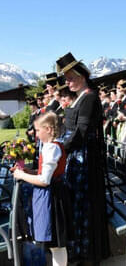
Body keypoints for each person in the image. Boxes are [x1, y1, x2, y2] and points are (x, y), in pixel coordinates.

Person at [57, 52, 110, 264]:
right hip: (76, 154)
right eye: (66, 79)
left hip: (85, 157)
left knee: (84, 203)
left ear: (82, 76)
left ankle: (87, 252)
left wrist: (60, 149)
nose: (67, 82)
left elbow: (82, 131)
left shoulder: (89, 97)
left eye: (71, 78)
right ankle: (77, 247)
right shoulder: (81, 96)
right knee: (76, 202)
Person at [13, 112, 71, 266]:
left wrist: (21, 175)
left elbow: (45, 180)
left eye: (38, 130)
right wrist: (28, 172)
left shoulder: (51, 148)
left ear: (49, 130)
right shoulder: (52, 146)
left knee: (56, 245)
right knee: (55, 246)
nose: (36, 134)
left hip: (51, 198)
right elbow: (45, 173)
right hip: (51, 195)